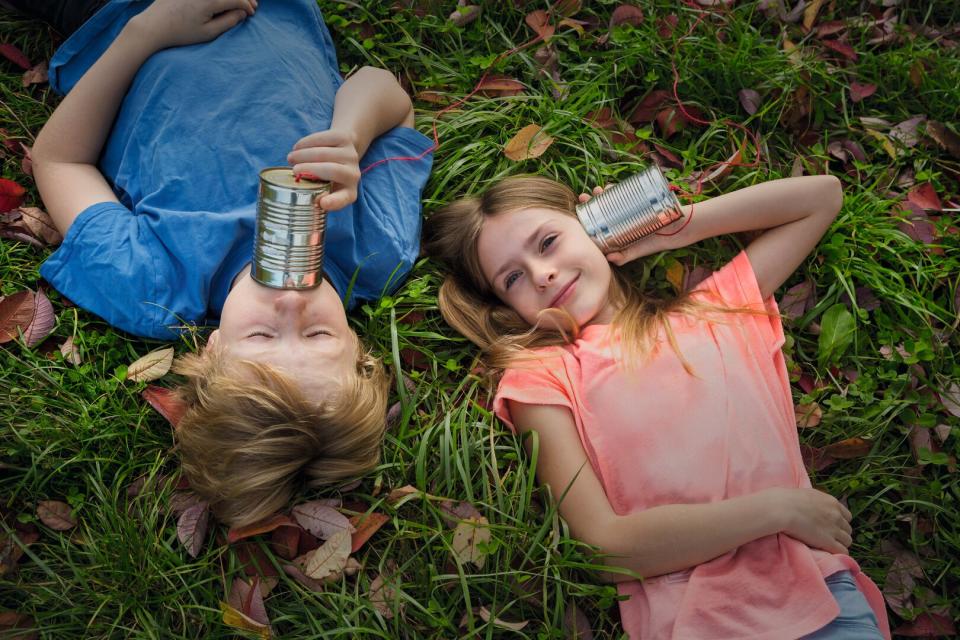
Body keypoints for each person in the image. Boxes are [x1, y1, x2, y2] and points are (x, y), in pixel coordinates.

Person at [425, 174, 891, 639]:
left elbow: (821, 197)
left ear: (590, 224)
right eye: (512, 278)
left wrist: (674, 226)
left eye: (548, 242)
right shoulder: (542, 375)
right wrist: (777, 512)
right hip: (699, 622)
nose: (541, 273)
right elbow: (604, 548)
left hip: (827, 604)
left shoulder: (716, 309)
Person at [22, 0, 433, 526]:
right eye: (319, 337)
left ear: (212, 349)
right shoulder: (376, 248)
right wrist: (353, 136)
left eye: (261, 338)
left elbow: (59, 160)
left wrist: (146, 32)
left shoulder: (153, 284)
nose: (291, 305)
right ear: (358, 348)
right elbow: (387, 95)